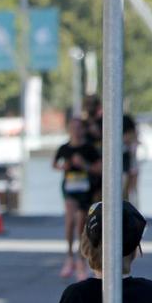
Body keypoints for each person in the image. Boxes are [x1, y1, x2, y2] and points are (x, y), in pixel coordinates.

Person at [53, 118, 101, 281]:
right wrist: (63, 167)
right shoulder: (64, 148)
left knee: (81, 223)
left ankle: (81, 260)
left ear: (83, 130)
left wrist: (84, 165)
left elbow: (99, 168)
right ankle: (69, 257)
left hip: (85, 190)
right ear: (68, 130)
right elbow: (54, 164)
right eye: (72, 128)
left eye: (78, 128)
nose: (75, 131)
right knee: (69, 221)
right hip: (69, 189)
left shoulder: (89, 148)